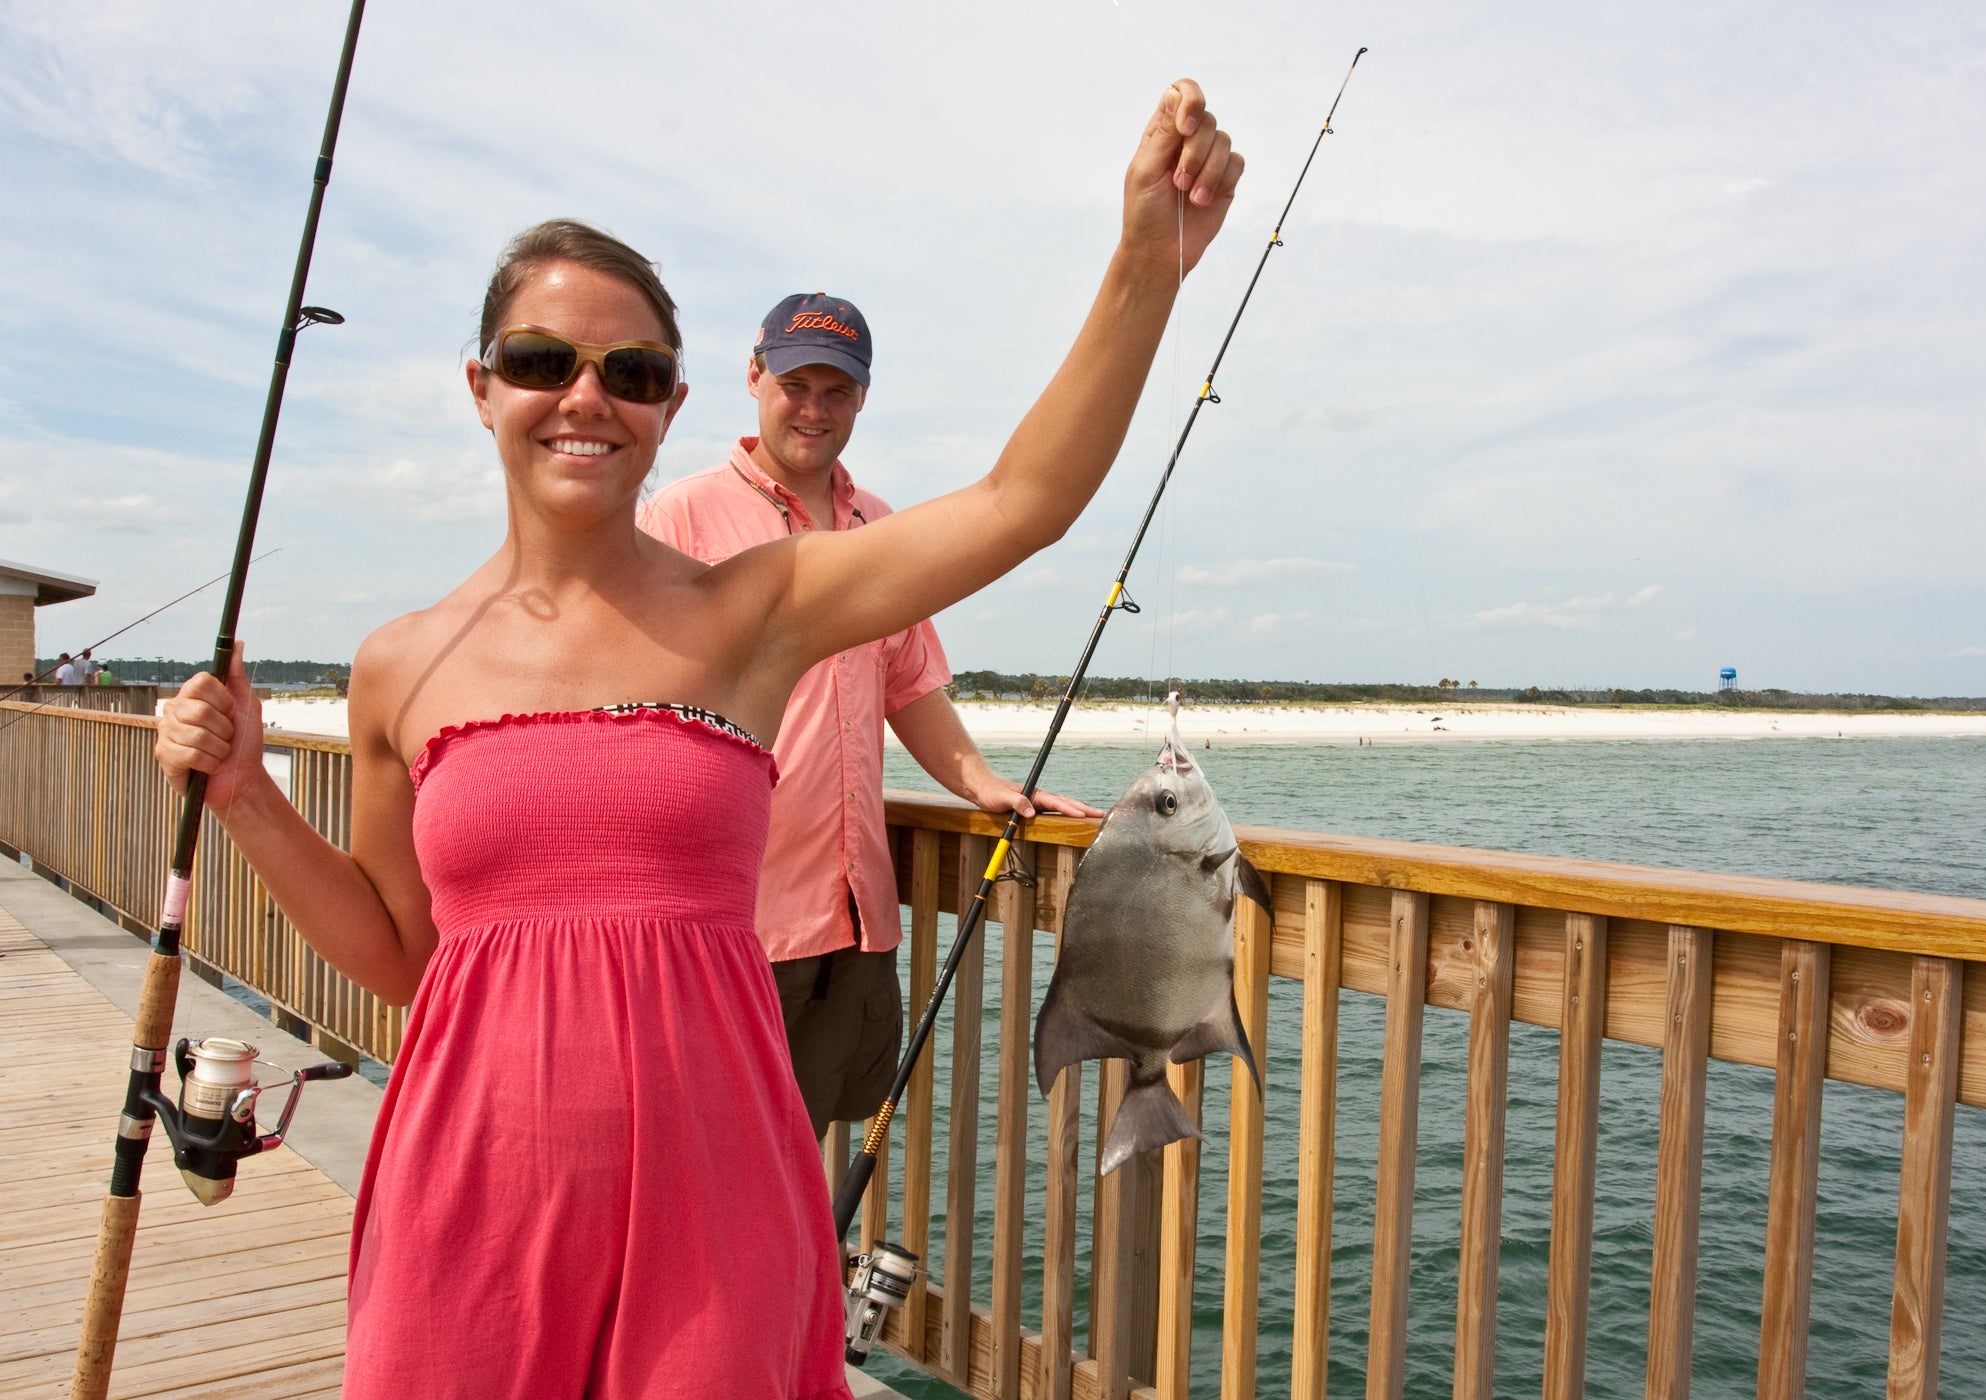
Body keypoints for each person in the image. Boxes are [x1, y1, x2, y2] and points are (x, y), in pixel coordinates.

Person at [155, 79, 1241, 1400]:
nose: (586, 398)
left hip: (716, 1201)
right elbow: (400, 954)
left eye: (632, 372)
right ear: (481, 387)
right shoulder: (401, 662)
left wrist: (1146, 265)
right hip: (469, 1193)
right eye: (544, 362)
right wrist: (249, 796)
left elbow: (1027, 501)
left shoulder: (762, 607)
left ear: (671, 403)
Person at [640, 293, 1100, 1137]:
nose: (814, 408)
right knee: (708, 1145)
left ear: (861, 397)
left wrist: (982, 782)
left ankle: (798, 1272)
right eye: (795, 384)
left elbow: (909, 681)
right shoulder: (681, 515)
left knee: (807, 1136)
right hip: (732, 918)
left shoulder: (876, 524)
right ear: (753, 377)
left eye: (836, 391)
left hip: (854, 918)